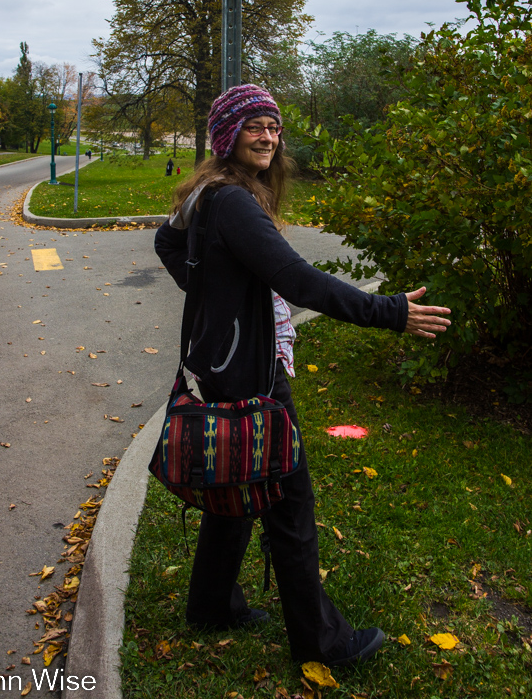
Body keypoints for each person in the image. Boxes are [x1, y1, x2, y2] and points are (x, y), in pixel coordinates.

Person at [154, 84, 451, 670]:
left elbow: (169, 240)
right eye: (253, 126)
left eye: (273, 126)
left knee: (233, 485)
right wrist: (387, 311)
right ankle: (322, 642)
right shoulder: (233, 201)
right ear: (226, 135)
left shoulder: (208, 192)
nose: (267, 137)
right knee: (290, 506)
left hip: (216, 367)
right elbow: (297, 278)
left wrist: (220, 301)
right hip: (251, 378)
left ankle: (211, 605)